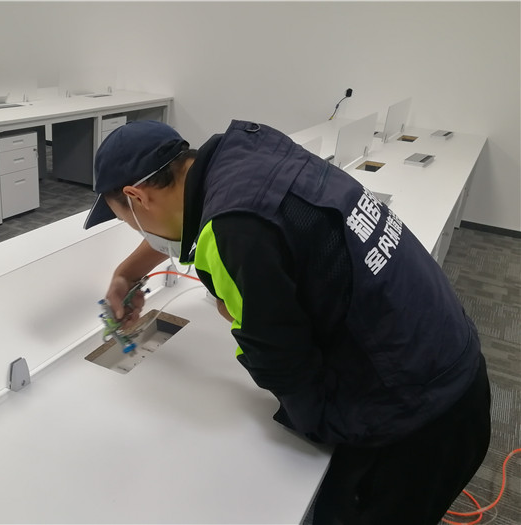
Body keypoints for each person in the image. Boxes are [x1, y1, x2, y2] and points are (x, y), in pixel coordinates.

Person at [84, 119, 491, 525]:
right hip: (447, 355)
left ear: (137, 196)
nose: (142, 235)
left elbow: (284, 366)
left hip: (419, 416)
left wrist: (317, 449)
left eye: (130, 222)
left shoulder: (234, 232)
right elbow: (207, 217)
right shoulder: (243, 151)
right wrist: (127, 273)